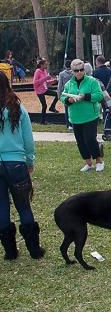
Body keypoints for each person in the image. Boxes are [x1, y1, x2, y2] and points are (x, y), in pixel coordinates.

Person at [0, 71, 45, 260]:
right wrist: (30, 161)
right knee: (24, 206)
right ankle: (34, 249)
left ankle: (10, 251)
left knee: (1, 207)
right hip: (16, 163)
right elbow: (28, 140)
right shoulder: (17, 108)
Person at [60, 59, 105, 172]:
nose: (79, 72)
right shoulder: (69, 84)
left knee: (90, 139)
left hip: (90, 116)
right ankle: (88, 163)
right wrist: (69, 100)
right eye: (76, 70)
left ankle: (99, 160)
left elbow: (99, 96)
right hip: (75, 117)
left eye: (81, 70)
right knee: (80, 141)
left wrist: (85, 96)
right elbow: (62, 97)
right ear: (72, 71)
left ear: (84, 70)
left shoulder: (92, 81)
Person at [33, 58, 59, 124]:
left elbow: (46, 82)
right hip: (39, 91)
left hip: (45, 89)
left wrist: (53, 81)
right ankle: (42, 121)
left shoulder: (44, 71)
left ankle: (52, 107)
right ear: (41, 65)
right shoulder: (37, 71)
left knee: (57, 94)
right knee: (44, 105)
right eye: (45, 64)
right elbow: (35, 83)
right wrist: (45, 78)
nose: (46, 66)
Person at [93, 55, 111, 140]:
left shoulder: (96, 72)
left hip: (99, 94)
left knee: (98, 110)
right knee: (107, 111)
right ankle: (108, 129)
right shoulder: (110, 71)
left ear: (97, 62)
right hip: (108, 94)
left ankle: (103, 128)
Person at [57, 59, 73, 129]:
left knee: (67, 109)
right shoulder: (74, 73)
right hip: (73, 92)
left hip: (65, 93)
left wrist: (59, 94)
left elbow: (60, 85)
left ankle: (68, 124)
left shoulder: (62, 74)